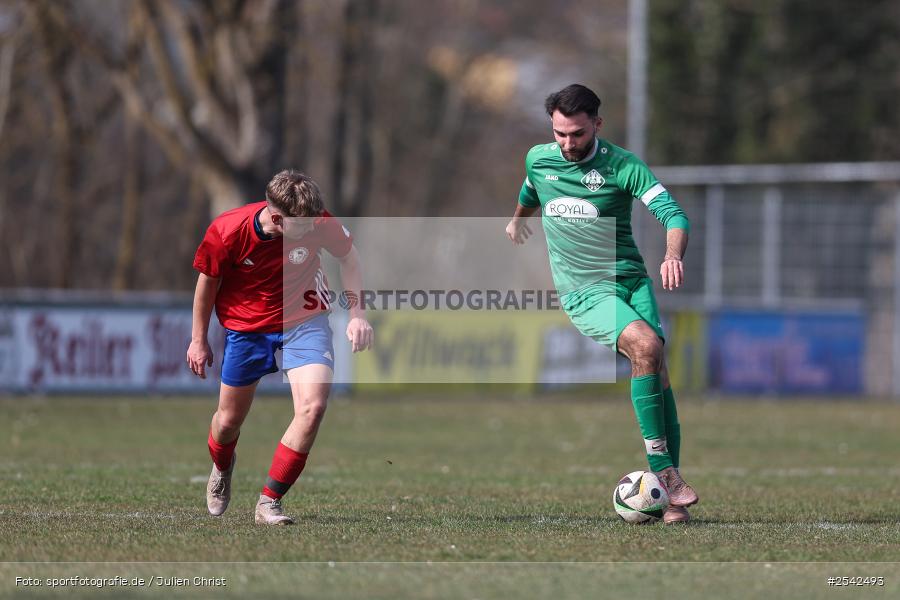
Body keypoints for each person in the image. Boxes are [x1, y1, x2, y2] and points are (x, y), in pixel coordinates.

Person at [505, 84, 698, 524]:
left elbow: (673, 214)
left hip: (631, 282)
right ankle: (665, 473)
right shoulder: (539, 157)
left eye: (577, 134)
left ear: (597, 123)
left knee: (658, 369)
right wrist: (517, 222)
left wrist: (672, 255)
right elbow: (532, 186)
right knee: (647, 347)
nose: (568, 144)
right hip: (584, 290)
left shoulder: (622, 166)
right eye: (560, 134)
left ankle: (669, 498)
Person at [187, 169, 373, 525]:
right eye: (302, 227)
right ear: (276, 218)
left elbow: (350, 258)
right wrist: (198, 340)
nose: (312, 230)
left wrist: (357, 315)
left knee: (313, 407)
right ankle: (222, 467)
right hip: (247, 329)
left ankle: (268, 502)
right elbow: (207, 284)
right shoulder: (227, 231)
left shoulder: (316, 221)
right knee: (226, 423)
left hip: (306, 319)